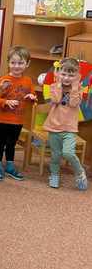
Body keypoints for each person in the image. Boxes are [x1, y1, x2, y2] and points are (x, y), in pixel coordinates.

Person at [0, 46, 36, 181]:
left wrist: (32, 97)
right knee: (1, 142)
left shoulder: (28, 81)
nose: (16, 66)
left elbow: (33, 96)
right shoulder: (3, 80)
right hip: (3, 118)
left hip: (18, 119)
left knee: (12, 143)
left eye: (20, 63)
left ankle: (10, 166)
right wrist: (6, 102)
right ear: (8, 63)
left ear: (27, 64)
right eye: (13, 63)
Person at [43, 57, 87, 190]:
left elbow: (73, 103)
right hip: (54, 126)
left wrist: (75, 86)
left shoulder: (79, 89)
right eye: (64, 74)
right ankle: (54, 175)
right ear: (58, 73)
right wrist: (58, 83)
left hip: (69, 128)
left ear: (77, 76)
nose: (67, 78)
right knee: (55, 155)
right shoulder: (53, 86)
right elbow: (56, 100)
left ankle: (80, 172)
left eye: (71, 75)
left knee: (68, 153)